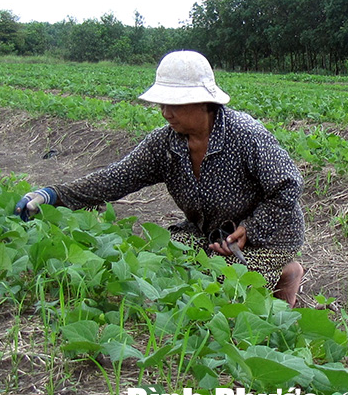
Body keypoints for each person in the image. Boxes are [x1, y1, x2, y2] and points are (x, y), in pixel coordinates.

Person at [15, 51, 305, 306]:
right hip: (210, 233)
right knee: (168, 263)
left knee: (223, 289)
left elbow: (288, 185)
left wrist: (250, 229)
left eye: (174, 105)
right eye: (162, 104)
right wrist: (52, 195)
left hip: (271, 235)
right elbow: (115, 178)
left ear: (204, 102)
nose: (166, 113)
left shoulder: (245, 135)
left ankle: (286, 271)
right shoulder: (165, 144)